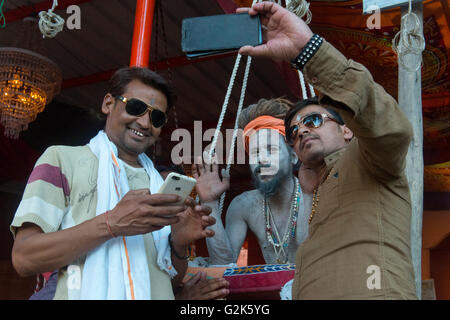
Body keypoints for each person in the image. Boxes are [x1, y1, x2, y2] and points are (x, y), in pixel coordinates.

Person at [237, 2, 417, 299]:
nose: (302, 130)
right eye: (293, 132)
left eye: (313, 120)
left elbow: (387, 124)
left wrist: (309, 51)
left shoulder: (370, 157)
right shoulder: (318, 191)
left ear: (347, 129)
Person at [10, 66, 223, 300]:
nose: (144, 122)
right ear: (108, 104)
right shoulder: (62, 160)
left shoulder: (158, 184)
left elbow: (166, 280)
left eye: (156, 117)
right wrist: (112, 223)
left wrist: (179, 244)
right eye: (136, 107)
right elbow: (24, 258)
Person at [193, 98, 311, 265]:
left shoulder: (316, 199)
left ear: (293, 156)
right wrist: (209, 202)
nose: (262, 159)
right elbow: (223, 264)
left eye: (271, 150)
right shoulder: (243, 205)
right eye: (255, 152)